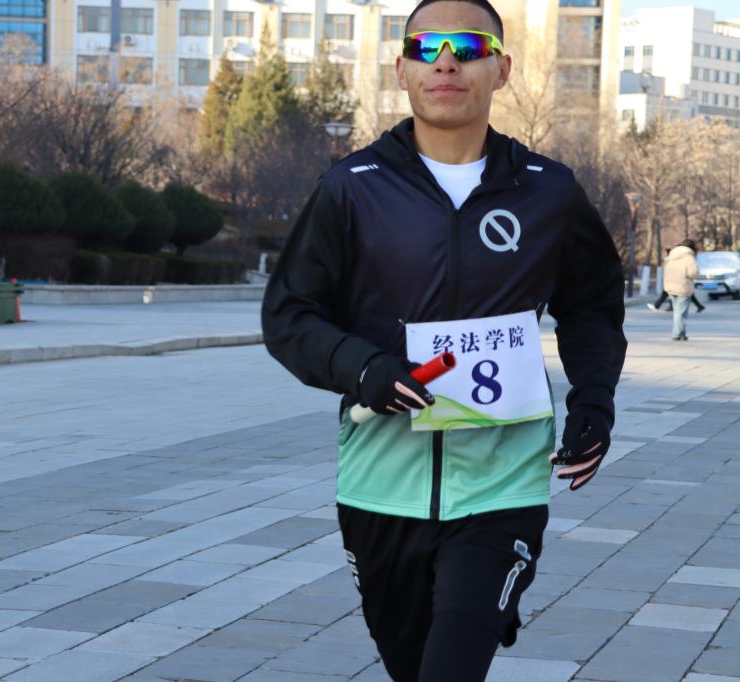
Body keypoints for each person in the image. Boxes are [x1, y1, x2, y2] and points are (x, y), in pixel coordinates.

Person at [261, 1, 627, 680]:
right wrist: (363, 368)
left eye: (470, 46)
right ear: (401, 69)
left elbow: (592, 306)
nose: (447, 62)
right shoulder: (350, 189)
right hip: (380, 486)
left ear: (502, 70)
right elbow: (290, 313)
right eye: (426, 48)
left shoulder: (549, 191)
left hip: (503, 485)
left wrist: (594, 401)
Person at [663, 239, 700, 340]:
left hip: (670, 286)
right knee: (681, 312)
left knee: (677, 311)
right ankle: (676, 334)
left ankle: (681, 333)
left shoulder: (672, 255)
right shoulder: (689, 257)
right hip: (683, 287)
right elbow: (693, 273)